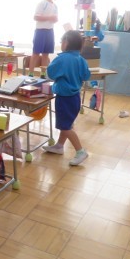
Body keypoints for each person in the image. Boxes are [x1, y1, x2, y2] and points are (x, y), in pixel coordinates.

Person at [42, 30, 91, 166]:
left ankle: (80, 151)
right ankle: (59, 146)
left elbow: (50, 74)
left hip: (64, 98)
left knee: (65, 126)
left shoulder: (62, 58)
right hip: (75, 97)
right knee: (67, 124)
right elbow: (86, 76)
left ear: (66, 42)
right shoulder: (81, 59)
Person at [29, 0, 60, 75]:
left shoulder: (55, 6)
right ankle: (30, 74)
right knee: (36, 53)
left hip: (50, 31)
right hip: (40, 31)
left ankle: (43, 74)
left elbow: (54, 19)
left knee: (46, 54)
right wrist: (49, 18)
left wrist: (54, 19)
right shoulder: (42, 3)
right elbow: (36, 17)